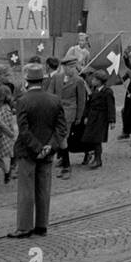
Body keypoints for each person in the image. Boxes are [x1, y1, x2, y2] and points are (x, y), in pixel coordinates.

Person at [7, 62, 68, 239]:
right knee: (43, 188)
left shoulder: (23, 101)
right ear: (42, 81)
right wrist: (49, 146)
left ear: (27, 81)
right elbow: (61, 128)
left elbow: (23, 130)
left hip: (28, 151)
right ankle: (42, 225)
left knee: (26, 190)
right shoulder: (54, 100)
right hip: (48, 151)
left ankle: (24, 227)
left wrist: (37, 148)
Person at [46, 48, 88, 179]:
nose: (70, 70)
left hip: (69, 113)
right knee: (59, 138)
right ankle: (62, 161)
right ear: (63, 67)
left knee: (62, 137)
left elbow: (81, 100)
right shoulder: (56, 78)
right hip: (56, 111)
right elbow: (49, 94)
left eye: (72, 67)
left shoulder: (79, 81)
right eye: (67, 67)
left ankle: (66, 166)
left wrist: (79, 116)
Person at [78, 69, 115, 168]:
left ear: (99, 81)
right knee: (90, 138)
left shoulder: (107, 92)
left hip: (101, 118)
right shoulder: (94, 90)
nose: (92, 81)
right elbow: (88, 105)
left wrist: (112, 120)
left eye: (94, 79)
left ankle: (98, 159)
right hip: (92, 117)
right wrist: (86, 116)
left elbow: (111, 106)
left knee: (97, 140)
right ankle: (91, 155)